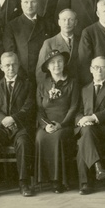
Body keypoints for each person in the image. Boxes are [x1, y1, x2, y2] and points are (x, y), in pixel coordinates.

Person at [0, 51, 36, 198]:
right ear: (1, 67)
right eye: (7, 65)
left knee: (24, 142)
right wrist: (2, 120)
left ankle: (24, 183)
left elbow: (29, 106)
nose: (10, 68)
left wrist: (13, 119)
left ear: (18, 65)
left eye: (13, 65)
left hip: (20, 126)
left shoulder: (28, 85)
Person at [34, 49, 80, 193]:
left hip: (65, 124)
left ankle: (59, 180)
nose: (56, 65)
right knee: (40, 138)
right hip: (47, 124)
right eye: (52, 63)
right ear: (48, 67)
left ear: (64, 63)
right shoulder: (42, 85)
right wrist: (45, 126)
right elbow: (39, 110)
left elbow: (74, 107)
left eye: (59, 61)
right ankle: (46, 180)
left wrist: (62, 124)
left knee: (58, 137)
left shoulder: (72, 83)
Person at [75, 55, 105, 195]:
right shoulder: (84, 89)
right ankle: (97, 166)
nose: (98, 70)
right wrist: (81, 119)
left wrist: (93, 118)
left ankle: (86, 183)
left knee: (84, 140)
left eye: (102, 67)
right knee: (86, 132)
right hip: (87, 127)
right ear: (90, 70)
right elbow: (78, 111)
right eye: (95, 67)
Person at [5, 0, 50, 83]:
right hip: (23, 75)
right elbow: (11, 53)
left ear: (38, 3)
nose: (29, 5)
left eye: (33, 2)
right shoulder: (12, 25)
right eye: (26, 2)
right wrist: (20, 73)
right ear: (21, 4)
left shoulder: (48, 24)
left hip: (44, 74)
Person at [36, 9, 82, 84]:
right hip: (57, 88)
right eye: (64, 20)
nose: (67, 23)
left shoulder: (82, 41)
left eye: (71, 20)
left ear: (75, 22)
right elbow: (40, 72)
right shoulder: (49, 43)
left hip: (78, 86)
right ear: (59, 22)